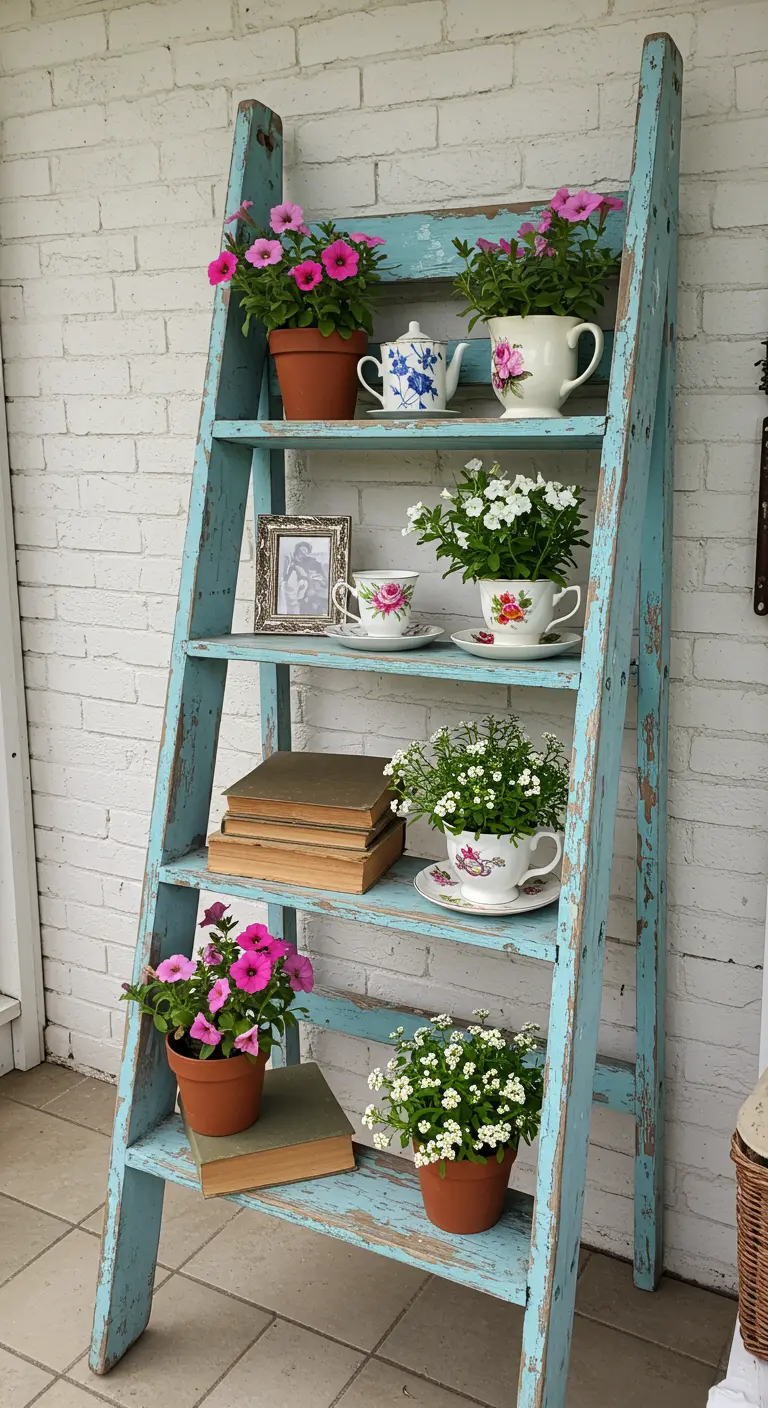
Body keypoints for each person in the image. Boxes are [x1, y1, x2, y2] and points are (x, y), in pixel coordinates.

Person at [279, 539, 329, 616]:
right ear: (297, 550)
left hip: (311, 588)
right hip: (300, 591)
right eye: (302, 549)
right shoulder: (293, 563)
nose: (304, 552)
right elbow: (288, 576)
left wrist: (316, 579)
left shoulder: (313, 562)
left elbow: (321, 579)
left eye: (306, 550)